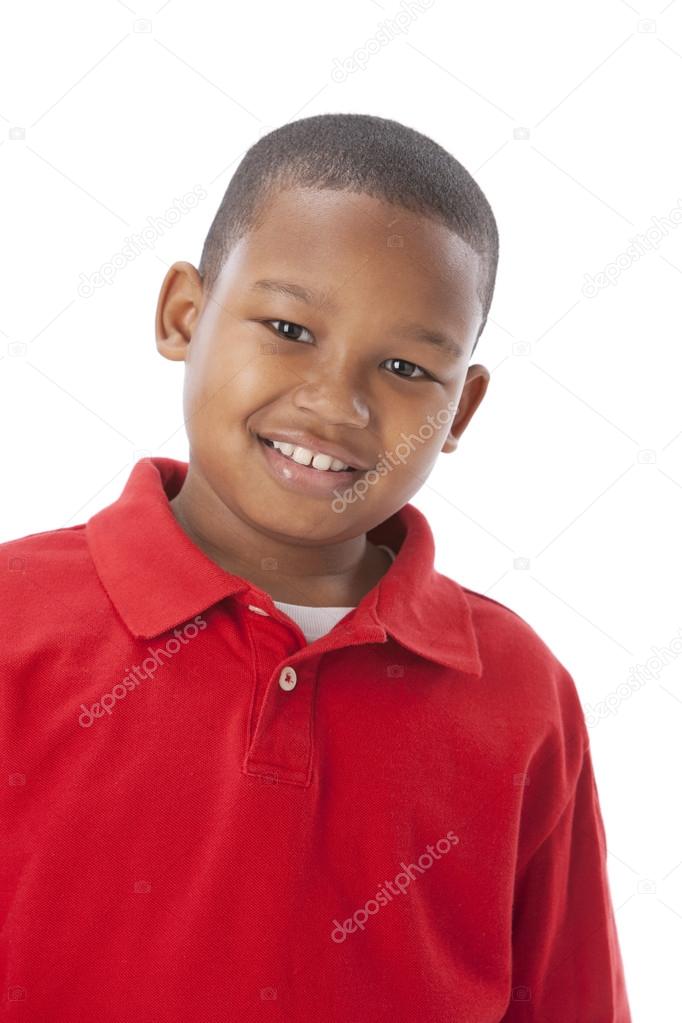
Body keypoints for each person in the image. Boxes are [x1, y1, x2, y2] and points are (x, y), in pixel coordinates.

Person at [1, 113, 632, 1021]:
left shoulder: (519, 693)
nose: (337, 404)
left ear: (461, 410)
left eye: (405, 366)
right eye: (290, 327)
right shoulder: (14, 619)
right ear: (184, 315)